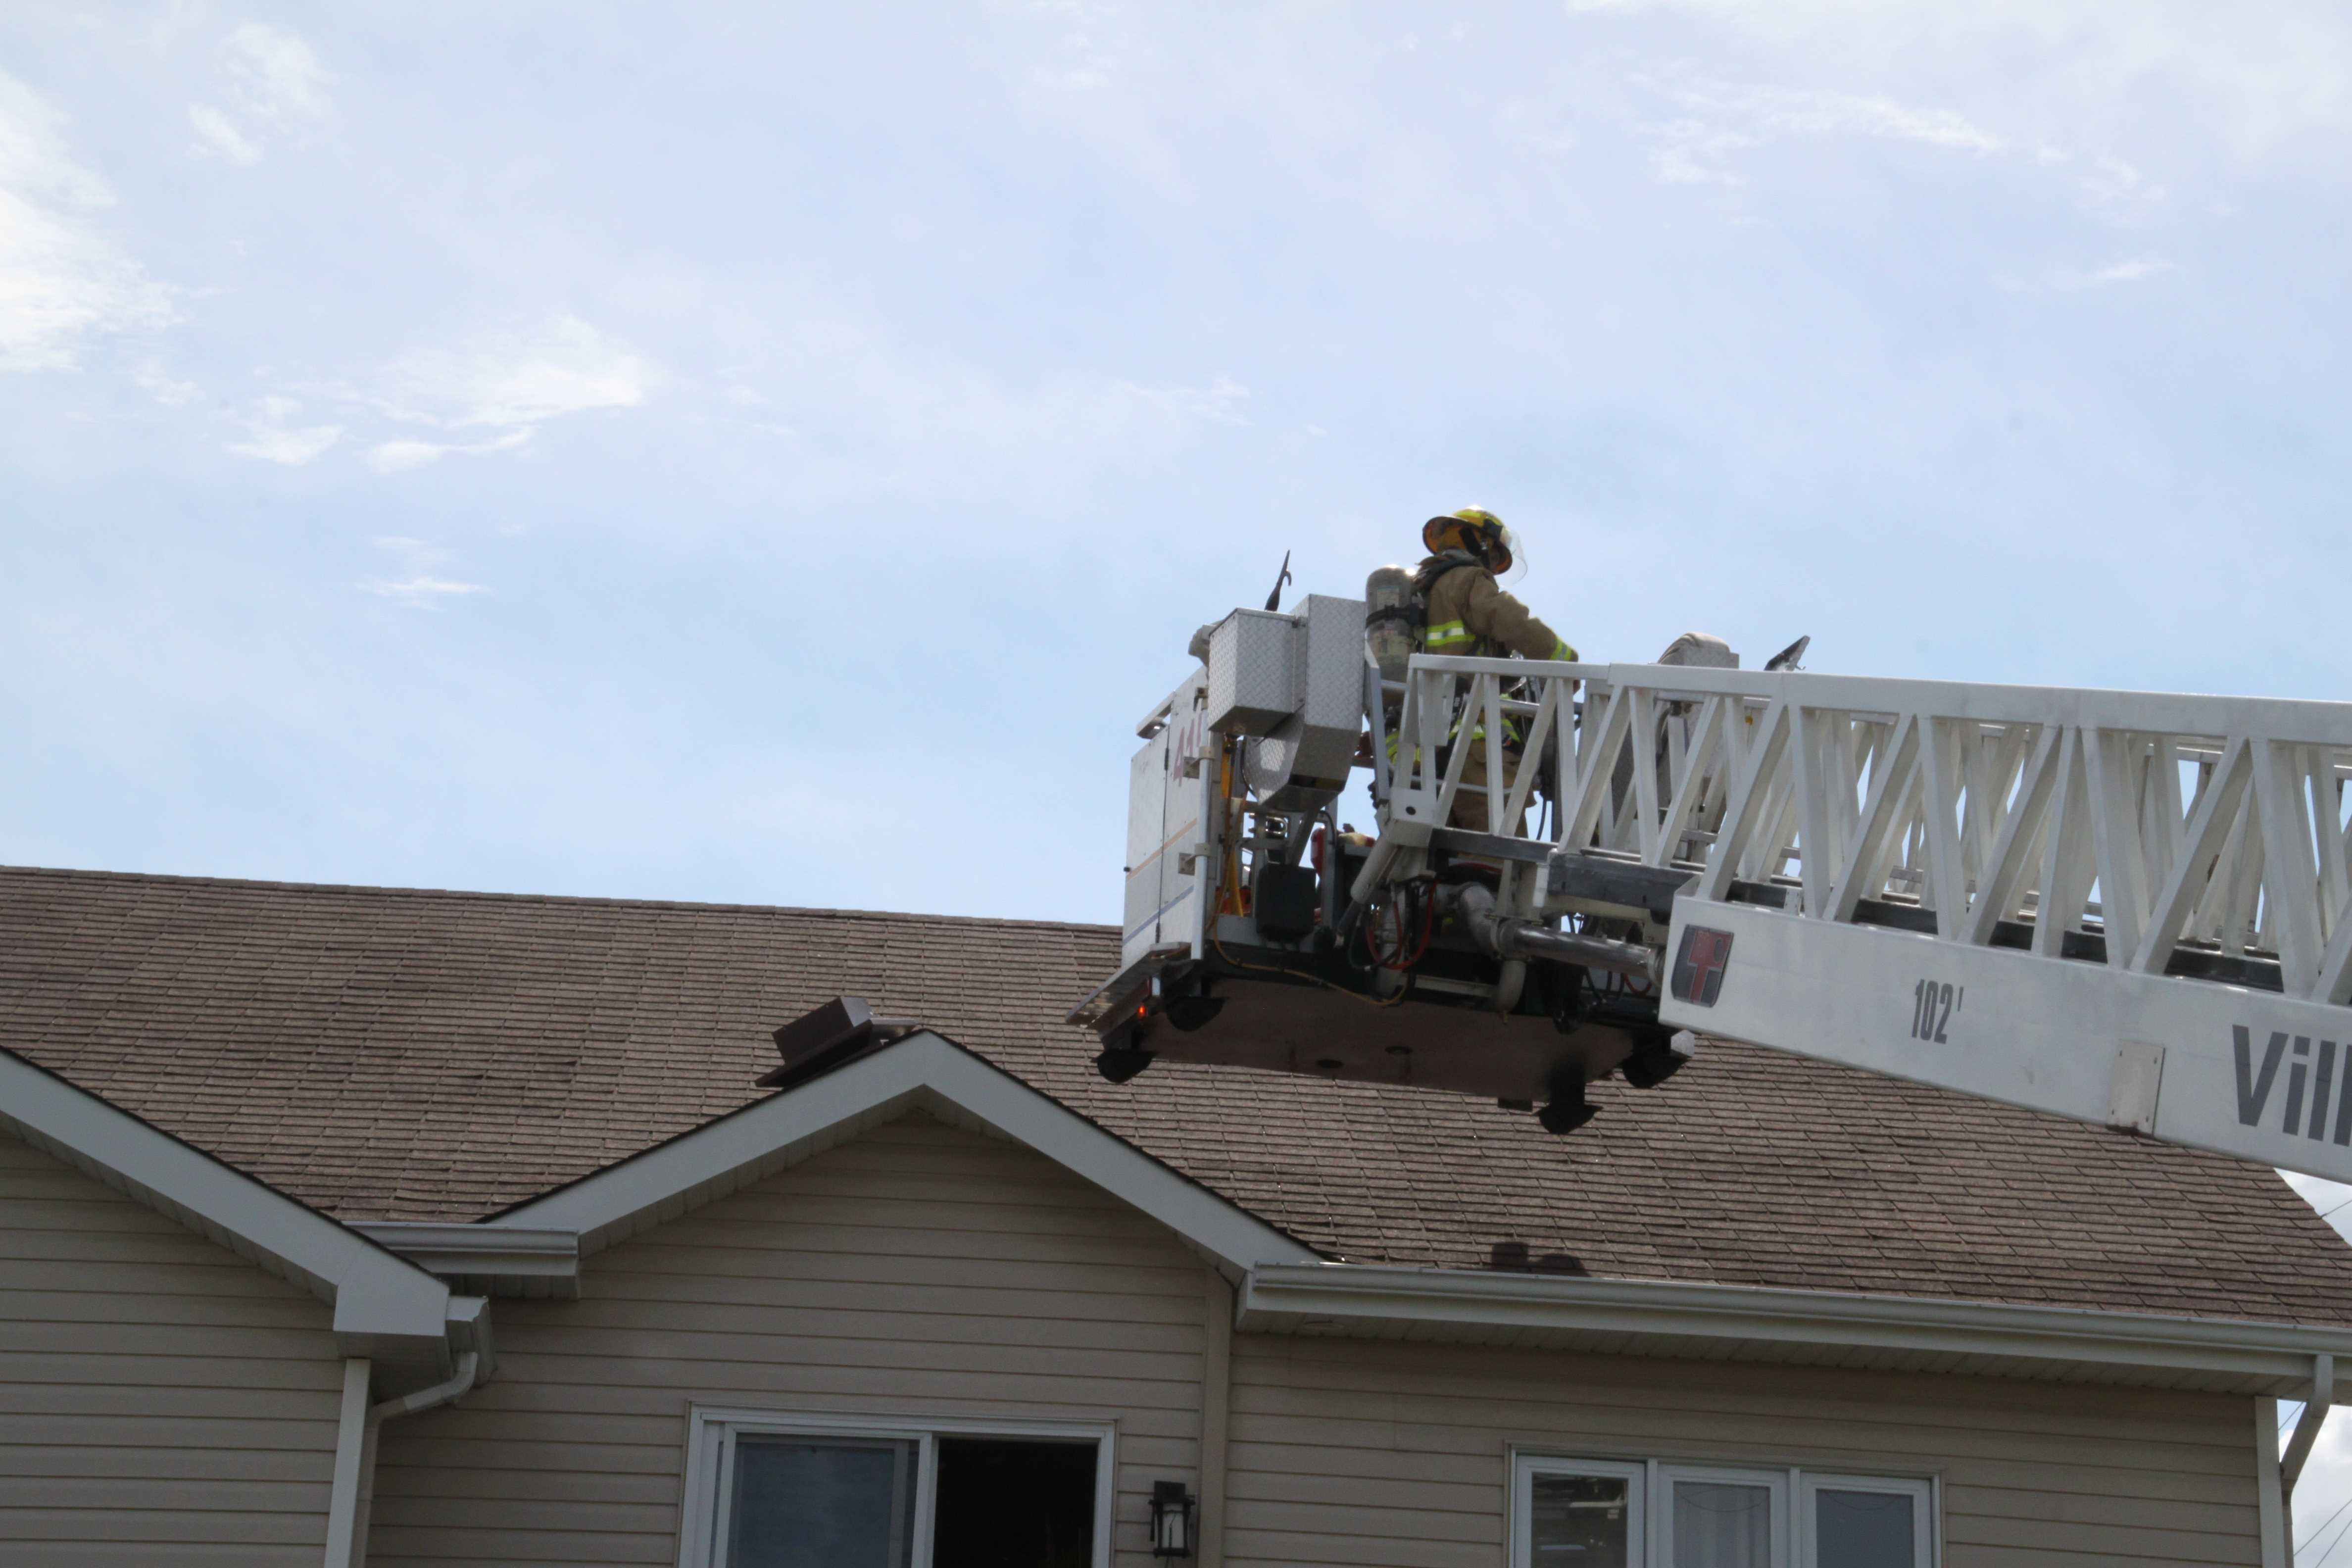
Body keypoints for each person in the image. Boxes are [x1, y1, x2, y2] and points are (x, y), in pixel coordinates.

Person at [1415, 509, 1578, 829]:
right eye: (1494, 555)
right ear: (1480, 543)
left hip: (1425, 750)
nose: (1492, 567)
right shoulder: (1466, 579)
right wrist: (1564, 661)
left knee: (1446, 856)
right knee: (1501, 855)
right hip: (1475, 749)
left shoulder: (1422, 592)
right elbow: (1507, 618)